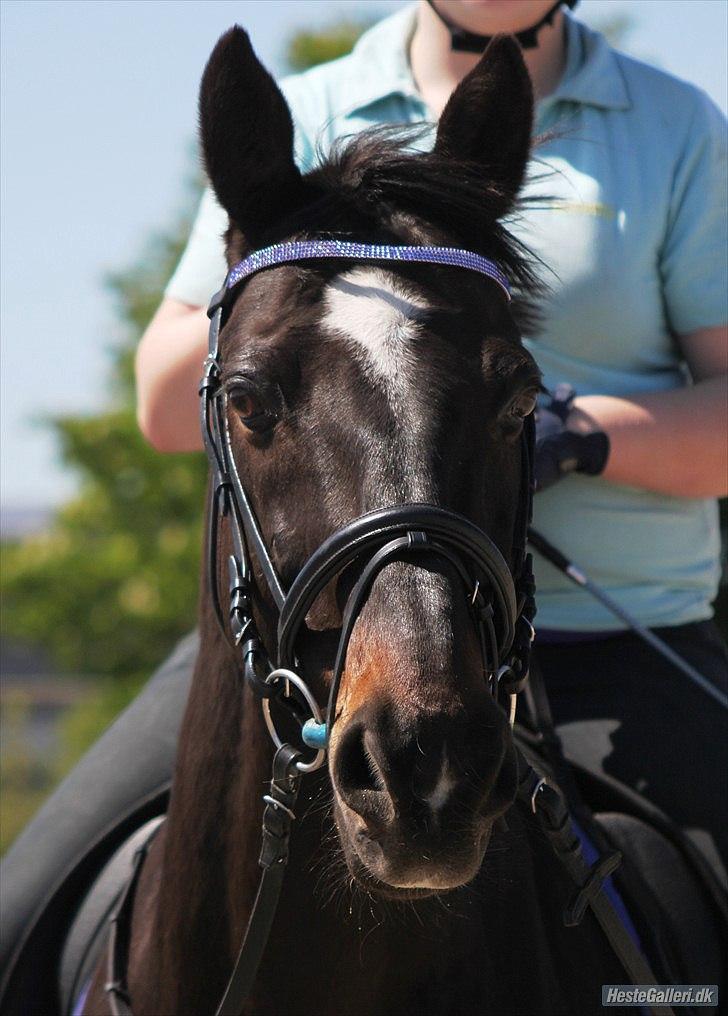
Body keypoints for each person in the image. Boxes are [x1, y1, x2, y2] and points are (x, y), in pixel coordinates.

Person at [2, 0, 726, 993]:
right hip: (301, 631)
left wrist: (573, 429)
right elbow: (168, 404)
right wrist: (282, 323)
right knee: (15, 917)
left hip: (612, 642)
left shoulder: (675, 125)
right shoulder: (307, 109)